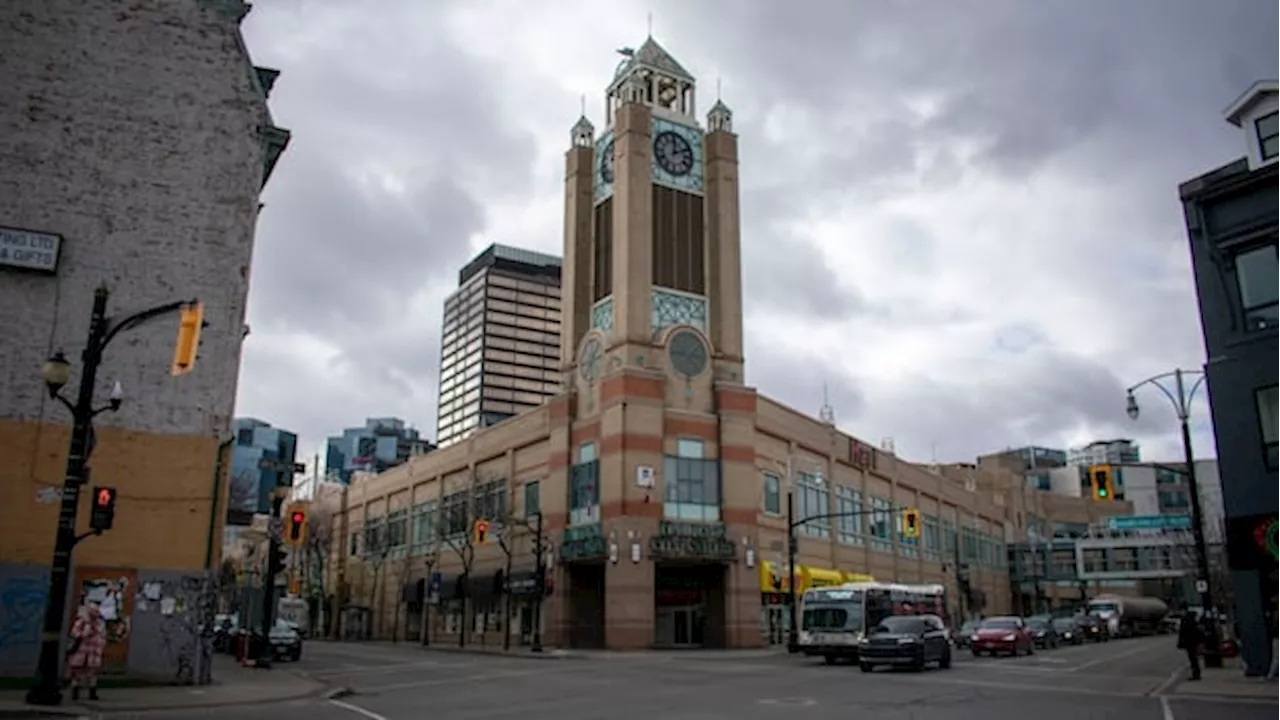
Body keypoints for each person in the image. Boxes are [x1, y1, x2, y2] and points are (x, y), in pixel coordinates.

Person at [65, 602, 106, 701]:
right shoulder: (81, 622)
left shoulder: (99, 624)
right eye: (92, 613)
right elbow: (75, 633)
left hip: (93, 652)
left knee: (92, 673)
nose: (93, 616)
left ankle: (92, 692)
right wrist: (85, 631)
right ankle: (75, 691)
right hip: (81, 651)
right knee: (77, 672)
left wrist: (100, 646)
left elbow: (102, 636)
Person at [1177, 609, 1206, 681]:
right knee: (1194, 658)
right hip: (1193, 643)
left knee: (1193, 658)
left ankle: (1196, 674)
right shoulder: (1194, 623)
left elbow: (1183, 633)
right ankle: (1196, 673)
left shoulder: (1186, 621)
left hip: (1189, 643)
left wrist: (1180, 643)